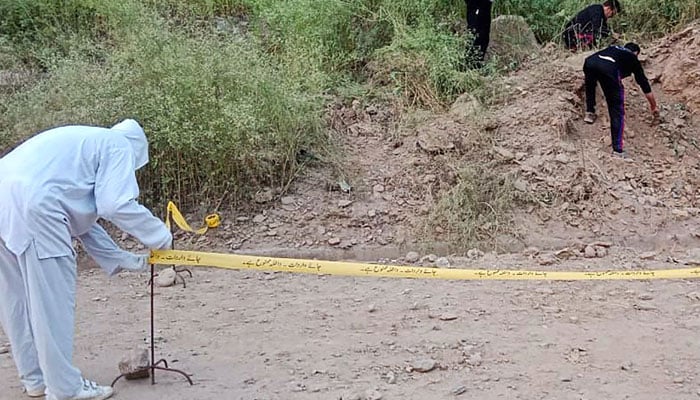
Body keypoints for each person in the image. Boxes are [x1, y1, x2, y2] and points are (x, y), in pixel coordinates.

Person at [0, 119, 173, 400]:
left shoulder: (81, 148)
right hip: (35, 206)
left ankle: (36, 380)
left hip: (4, 196)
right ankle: (65, 389)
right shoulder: (117, 146)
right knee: (51, 302)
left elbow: (86, 223)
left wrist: (127, 261)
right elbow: (114, 204)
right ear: (136, 151)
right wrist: (161, 239)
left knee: (14, 298)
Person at [583, 43, 658, 157]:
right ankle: (617, 149)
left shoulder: (613, 48)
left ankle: (590, 112)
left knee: (590, 85)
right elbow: (644, 85)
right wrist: (653, 106)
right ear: (635, 53)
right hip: (609, 69)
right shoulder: (633, 58)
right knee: (616, 109)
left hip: (590, 62)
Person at [466, 0, 494, 64]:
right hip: (477, 4)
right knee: (476, 31)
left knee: (484, 32)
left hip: (484, 4)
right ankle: (471, 62)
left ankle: (478, 61)